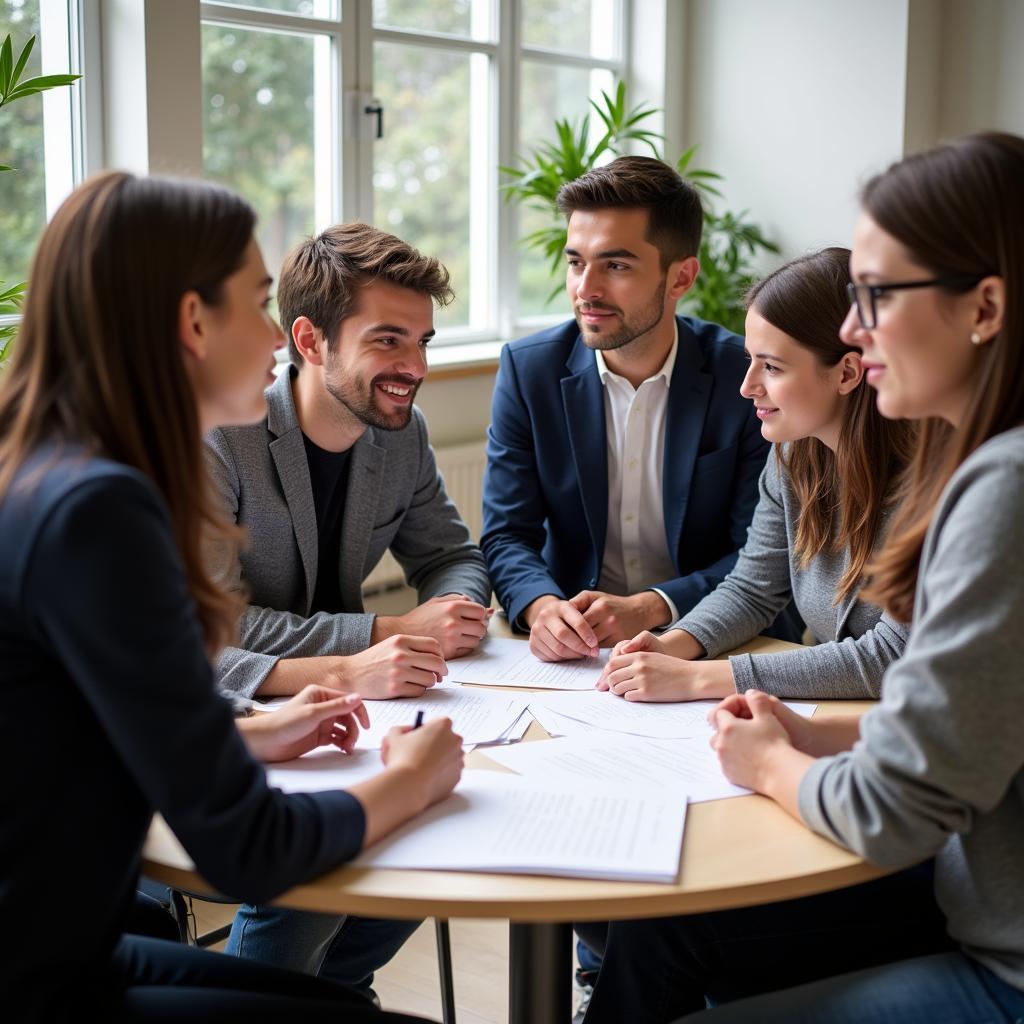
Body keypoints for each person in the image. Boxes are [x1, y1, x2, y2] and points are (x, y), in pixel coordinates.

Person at [0, 170, 463, 1022]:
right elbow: (250, 849)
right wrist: (412, 781)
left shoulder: (49, 467)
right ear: (191, 322)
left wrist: (245, 734)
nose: (272, 339)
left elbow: (71, 726)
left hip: (65, 940)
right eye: (255, 305)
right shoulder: (99, 510)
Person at [587, 132, 1024, 1024]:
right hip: (965, 884)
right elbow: (961, 741)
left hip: (999, 952)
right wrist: (812, 737)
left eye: (877, 296)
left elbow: (891, 810)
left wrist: (773, 760)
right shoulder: (967, 462)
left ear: (984, 306)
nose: (857, 334)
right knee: (658, 934)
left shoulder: (998, 486)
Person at [482, 155, 801, 666]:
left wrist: (651, 607)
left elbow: (762, 554)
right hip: (575, 652)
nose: (586, 289)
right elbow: (506, 533)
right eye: (575, 262)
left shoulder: (746, 378)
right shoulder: (528, 371)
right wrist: (543, 608)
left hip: (718, 640)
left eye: (616, 265)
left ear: (681, 278)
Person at [597, 248, 915, 703]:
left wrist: (698, 679)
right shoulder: (793, 453)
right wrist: (672, 644)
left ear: (847, 372)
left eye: (772, 366)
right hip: (844, 715)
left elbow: (893, 656)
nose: (747, 386)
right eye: (750, 360)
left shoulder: (933, 480)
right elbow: (752, 589)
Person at [206, 221, 492, 703]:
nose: (418, 367)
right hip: (257, 702)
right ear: (310, 341)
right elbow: (214, 625)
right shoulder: (222, 438)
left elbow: (450, 556)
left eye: (422, 341)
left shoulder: (404, 432)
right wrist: (385, 629)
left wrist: (455, 609)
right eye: (388, 340)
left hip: (368, 701)